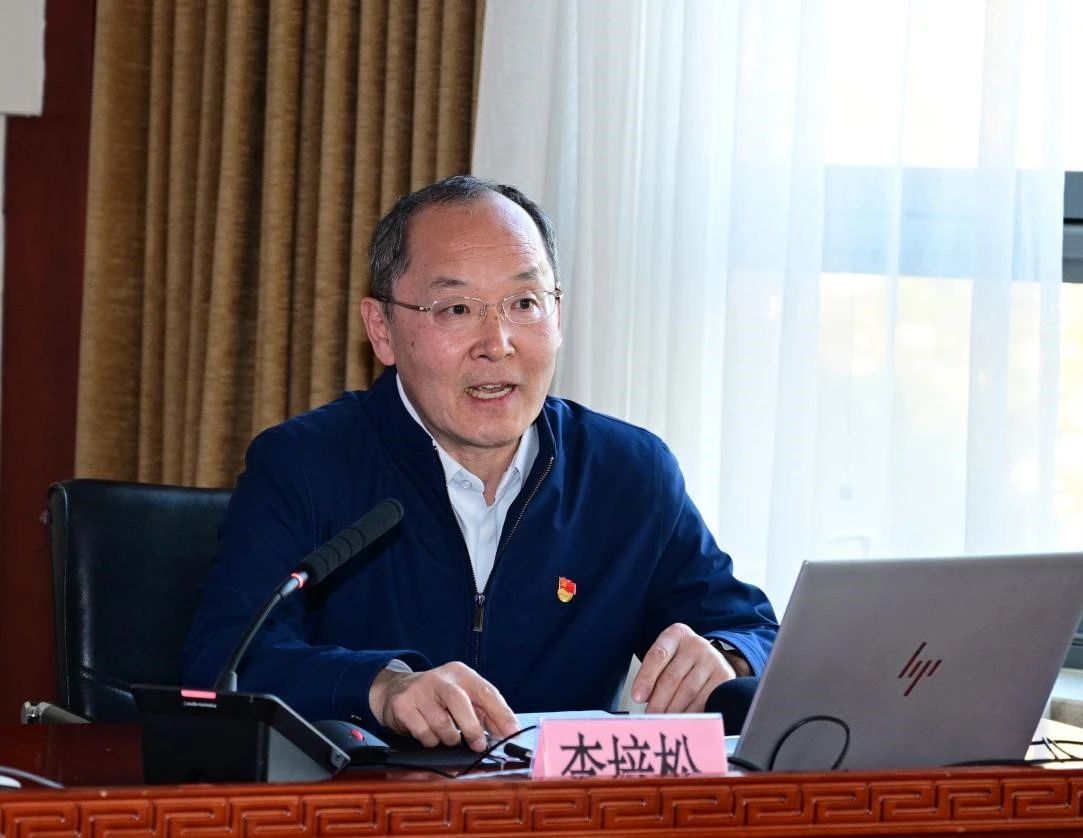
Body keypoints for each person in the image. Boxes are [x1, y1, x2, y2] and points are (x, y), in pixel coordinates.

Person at [183, 175, 777, 752]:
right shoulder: (304, 466)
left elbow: (758, 633)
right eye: (456, 309)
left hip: (561, 809)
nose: (498, 344)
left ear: (558, 317)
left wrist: (726, 657)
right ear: (381, 329)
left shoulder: (629, 474)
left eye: (524, 303)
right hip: (375, 805)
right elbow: (221, 663)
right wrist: (381, 688)